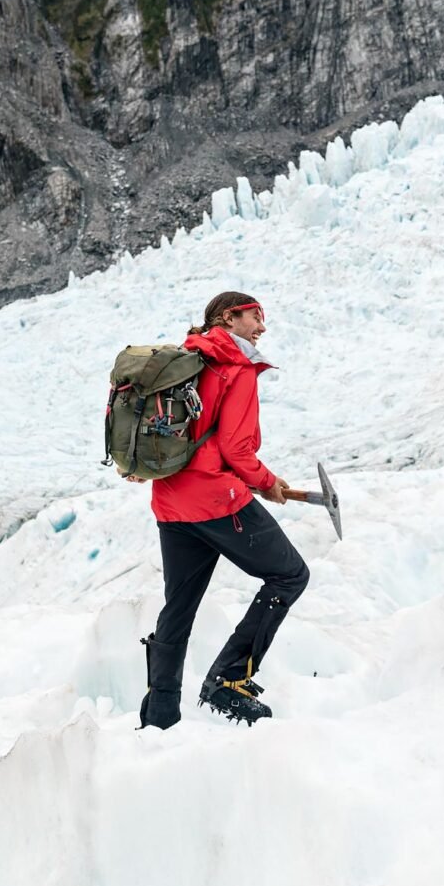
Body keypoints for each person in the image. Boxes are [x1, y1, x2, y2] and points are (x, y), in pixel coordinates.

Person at [126, 291, 310, 729]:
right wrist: (267, 482)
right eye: (255, 317)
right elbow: (234, 448)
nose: (262, 327)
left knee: (179, 607)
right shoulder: (236, 368)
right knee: (290, 575)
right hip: (215, 499)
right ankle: (228, 680)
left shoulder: (183, 360)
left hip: (171, 503)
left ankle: (160, 714)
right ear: (229, 317)